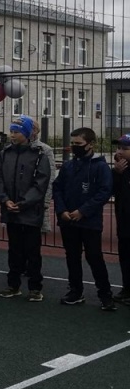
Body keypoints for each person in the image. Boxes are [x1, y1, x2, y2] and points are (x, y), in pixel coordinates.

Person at [52, 128, 116, 311]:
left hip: (90, 221)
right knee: (72, 256)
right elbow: (57, 188)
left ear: (91, 144)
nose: (74, 147)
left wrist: (83, 211)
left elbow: (104, 192)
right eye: (72, 143)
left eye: (78, 144)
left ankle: (105, 294)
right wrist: (62, 210)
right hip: (68, 220)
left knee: (94, 257)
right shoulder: (68, 166)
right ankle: (75, 291)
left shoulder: (101, 166)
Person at [0, 116, 51, 302]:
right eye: (12, 131)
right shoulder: (5, 153)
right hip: (11, 209)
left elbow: (41, 182)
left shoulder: (39, 154)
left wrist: (24, 203)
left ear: (26, 133)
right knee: (14, 249)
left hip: (30, 211)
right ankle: (13, 285)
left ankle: (34, 287)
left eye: (16, 132)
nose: (13, 135)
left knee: (33, 250)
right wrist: (5, 200)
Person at [29, 119, 58, 235]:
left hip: (38, 196)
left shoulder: (45, 150)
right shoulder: (12, 149)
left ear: (35, 131)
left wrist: (46, 200)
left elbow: (50, 175)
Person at [112, 134, 130, 304]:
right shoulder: (119, 169)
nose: (120, 152)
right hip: (124, 223)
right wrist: (117, 173)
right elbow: (111, 190)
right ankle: (126, 289)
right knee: (125, 257)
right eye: (119, 148)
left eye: (125, 149)